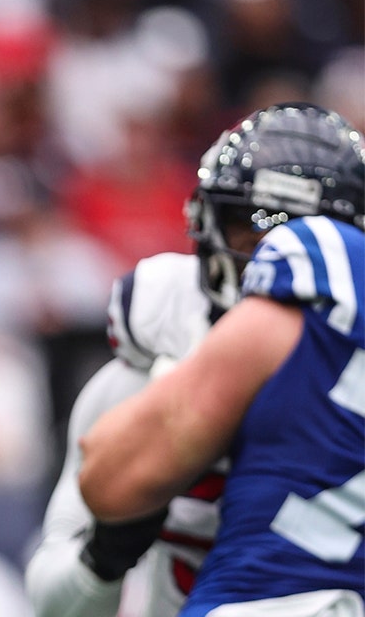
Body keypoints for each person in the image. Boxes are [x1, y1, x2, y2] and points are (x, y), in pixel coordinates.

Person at [77, 103, 365, 616]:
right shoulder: (174, 321)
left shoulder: (301, 283)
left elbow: (106, 481)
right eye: (247, 228)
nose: (265, 250)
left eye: (278, 234)